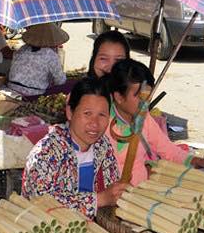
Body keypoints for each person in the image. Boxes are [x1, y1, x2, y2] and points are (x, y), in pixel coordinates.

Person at [22, 78, 128, 219]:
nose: (94, 124)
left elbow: (111, 187)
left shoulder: (102, 145)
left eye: (102, 115)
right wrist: (99, 199)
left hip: (95, 230)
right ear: (70, 112)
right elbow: (40, 202)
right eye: (87, 114)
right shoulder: (46, 152)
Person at [106, 59, 204, 186]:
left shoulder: (144, 119)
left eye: (148, 96)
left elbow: (168, 150)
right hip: (116, 196)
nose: (146, 103)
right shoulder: (102, 124)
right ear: (119, 97)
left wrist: (197, 161)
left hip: (141, 192)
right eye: (140, 97)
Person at [7, 23, 68, 97]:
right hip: (32, 93)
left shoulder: (22, 49)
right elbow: (60, 81)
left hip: (11, 87)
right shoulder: (50, 55)